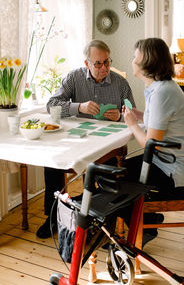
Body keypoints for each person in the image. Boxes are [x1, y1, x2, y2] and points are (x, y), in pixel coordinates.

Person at [36, 39, 136, 238]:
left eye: (107, 62)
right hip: (77, 140)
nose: (104, 68)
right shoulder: (74, 78)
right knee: (53, 164)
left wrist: (120, 115)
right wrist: (78, 107)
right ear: (87, 64)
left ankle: (103, 219)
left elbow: (133, 112)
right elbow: (52, 105)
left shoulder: (121, 83)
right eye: (98, 63)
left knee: (107, 173)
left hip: (107, 143)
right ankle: (53, 216)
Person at [119, 37, 184, 247]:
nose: (132, 61)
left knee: (117, 178)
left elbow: (150, 145)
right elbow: (160, 122)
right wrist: (139, 115)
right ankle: (147, 222)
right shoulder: (161, 88)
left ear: (147, 63)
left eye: (135, 57)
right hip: (170, 162)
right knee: (117, 170)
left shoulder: (162, 92)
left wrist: (133, 124)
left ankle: (146, 227)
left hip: (174, 172)